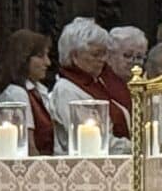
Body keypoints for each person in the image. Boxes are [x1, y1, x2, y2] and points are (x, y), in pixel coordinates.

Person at [48, 17, 126, 146]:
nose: (103, 59)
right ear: (74, 56)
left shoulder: (98, 82)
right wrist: (134, 147)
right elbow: (91, 140)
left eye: (105, 53)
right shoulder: (66, 90)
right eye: (96, 54)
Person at [0, 29, 55, 155]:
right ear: (23, 59)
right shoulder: (16, 94)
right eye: (41, 56)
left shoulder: (39, 91)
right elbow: (27, 147)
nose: (48, 63)